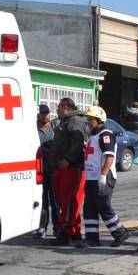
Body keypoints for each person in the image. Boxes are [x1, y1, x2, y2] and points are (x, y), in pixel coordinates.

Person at [82, 106, 131, 247]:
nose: (88, 122)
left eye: (91, 120)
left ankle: (120, 233)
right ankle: (91, 239)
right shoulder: (93, 136)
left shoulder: (106, 134)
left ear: (99, 120)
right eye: (88, 119)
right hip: (91, 177)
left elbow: (109, 157)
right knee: (89, 208)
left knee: (104, 206)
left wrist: (103, 175)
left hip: (103, 176)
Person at [48, 97, 88, 247]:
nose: (57, 110)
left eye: (58, 107)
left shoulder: (74, 121)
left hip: (71, 169)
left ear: (65, 107)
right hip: (63, 169)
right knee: (68, 202)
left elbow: (78, 143)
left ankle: (65, 233)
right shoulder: (67, 122)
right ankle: (75, 232)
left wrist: (68, 160)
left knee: (68, 202)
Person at [33, 104, 59, 239]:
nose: (46, 116)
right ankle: (41, 228)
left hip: (53, 170)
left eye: (47, 113)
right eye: (43, 113)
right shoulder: (32, 129)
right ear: (38, 115)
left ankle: (57, 228)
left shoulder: (54, 128)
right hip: (39, 171)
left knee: (55, 201)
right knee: (42, 201)